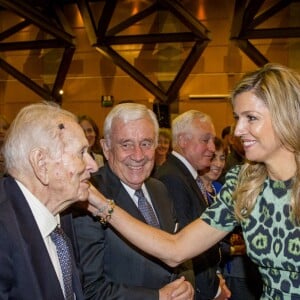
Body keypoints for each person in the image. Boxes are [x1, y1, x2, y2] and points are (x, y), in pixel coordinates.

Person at [87, 63, 300, 299]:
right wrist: (102, 204)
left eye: (251, 118)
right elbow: (176, 249)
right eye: (237, 118)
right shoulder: (244, 183)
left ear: (285, 117)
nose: (238, 130)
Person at [73, 103, 194, 300]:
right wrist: (157, 297)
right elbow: (90, 289)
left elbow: (181, 252)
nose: (138, 155)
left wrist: (186, 285)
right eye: (126, 144)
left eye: (146, 143)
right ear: (106, 147)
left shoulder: (159, 189)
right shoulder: (89, 199)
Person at [0, 102, 99, 299]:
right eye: (81, 153)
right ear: (41, 164)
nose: (93, 166)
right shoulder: (3, 230)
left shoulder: (62, 217)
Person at [154, 110, 230, 300]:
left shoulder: (184, 175)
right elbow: (186, 249)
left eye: (212, 140)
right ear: (182, 141)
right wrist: (214, 291)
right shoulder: (172, 178)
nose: (212, 148)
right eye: (205, 140)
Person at [198, 138, 262, 300]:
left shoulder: (220, 188)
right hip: (224, 270)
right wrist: (236, 249)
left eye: (222, 158)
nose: (218, 164)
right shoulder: (195, 190)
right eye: (213, 157)